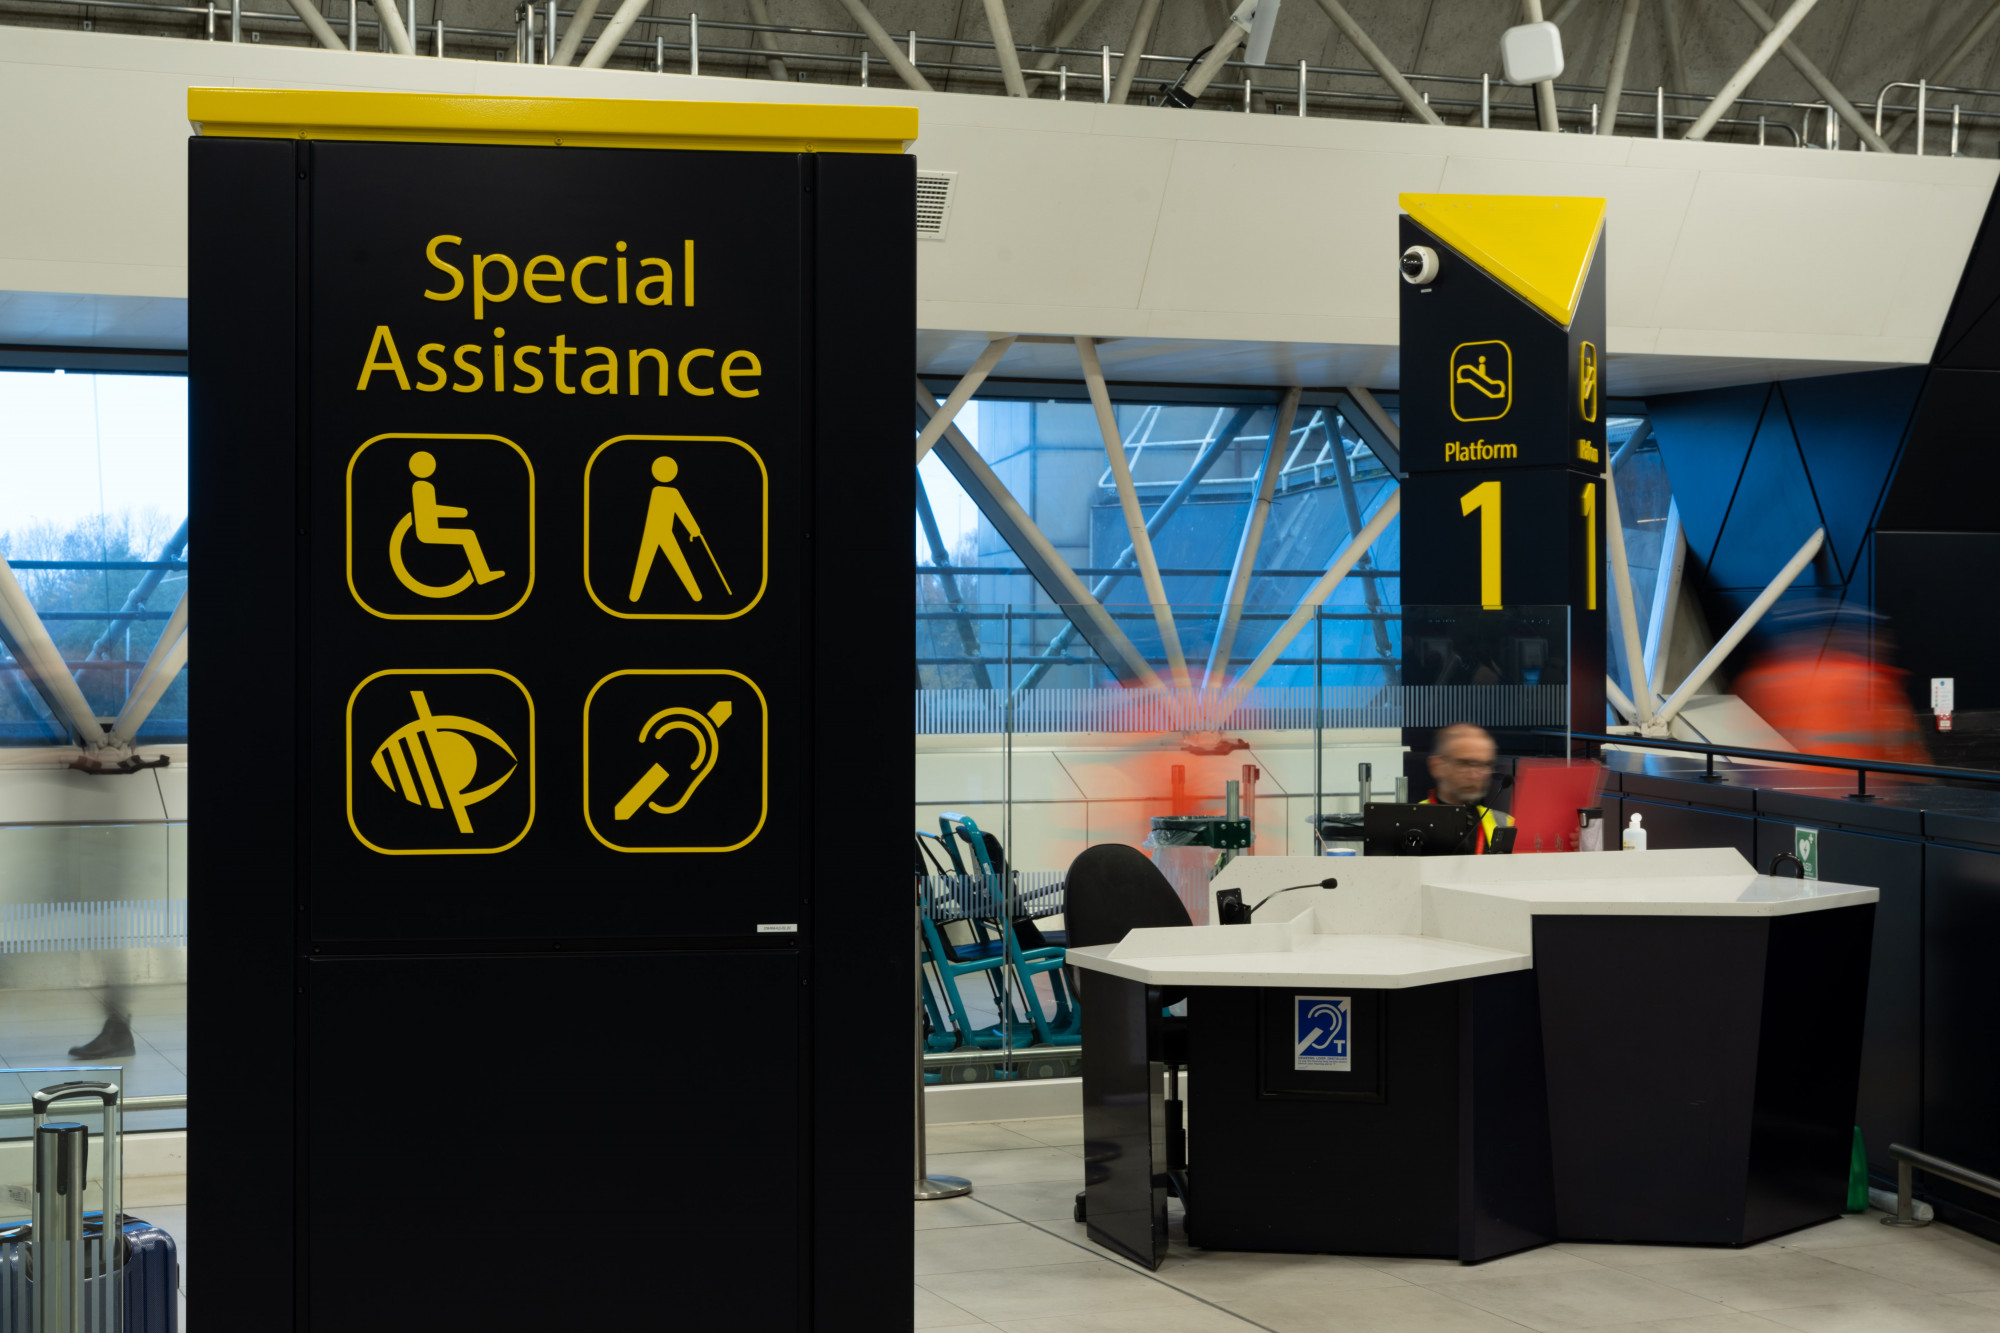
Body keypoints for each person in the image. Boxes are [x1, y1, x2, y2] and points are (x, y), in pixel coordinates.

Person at [1421, 722, 1514, 854]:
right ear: (1437, 766)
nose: (1475, 775)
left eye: (1484, 765)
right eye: (1465, 764)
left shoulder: (1506, 825)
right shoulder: (1409, 823)